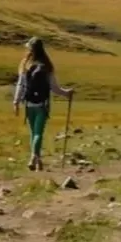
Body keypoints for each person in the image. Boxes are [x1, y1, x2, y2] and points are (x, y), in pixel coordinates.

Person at [12, 37, 73, 171]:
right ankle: (34, 157)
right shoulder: (47, 66)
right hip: (42, 104)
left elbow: (20, 84)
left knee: (33, 132)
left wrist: (16, 101)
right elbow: (54, 88)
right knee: (38, 133)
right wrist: (67, 93)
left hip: (29, 104)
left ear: (30, 49)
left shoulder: (25, 64)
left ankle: (37, 160)